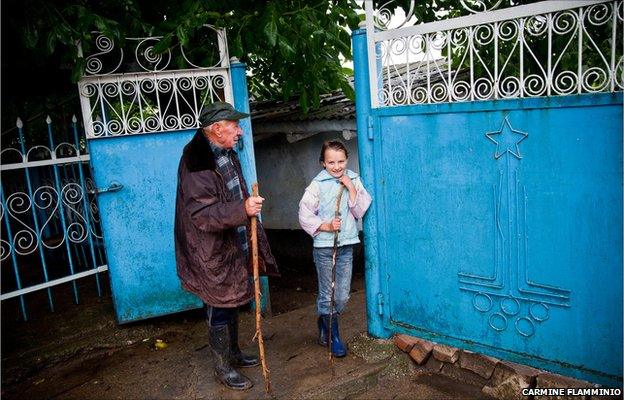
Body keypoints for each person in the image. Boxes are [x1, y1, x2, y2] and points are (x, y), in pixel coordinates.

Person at [174, 101, 278, 391]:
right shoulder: (197, 162)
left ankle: (232, 353)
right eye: (235, 126)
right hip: (208, 247)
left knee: (232, 298)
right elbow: (201, 214)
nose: (240, 132)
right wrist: (243, 209)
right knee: (218, 303)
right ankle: (222, 367)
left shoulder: (224, 151)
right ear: (216, 128)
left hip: (230, 240)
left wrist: (242, 210)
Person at [298, 140, 372, 357]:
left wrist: (350, 187)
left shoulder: (354, 180)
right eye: (331, 162)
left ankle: (324, 321)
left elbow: (360, 211)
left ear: (347, 160)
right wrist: (326, 226)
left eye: (341, 161)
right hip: (324, 247)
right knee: (327, 293)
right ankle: (333, 335)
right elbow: (304, 214)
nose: (337, 166)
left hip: (347, 244)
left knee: (342, 295)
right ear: (323, 163)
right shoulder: (317, 184)